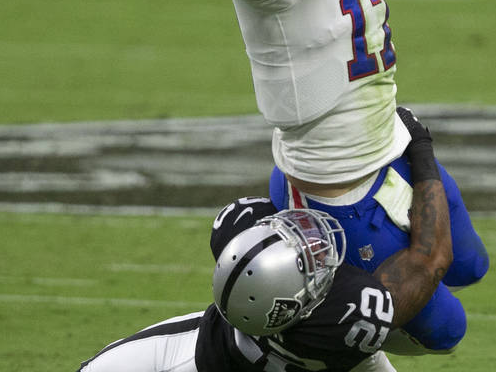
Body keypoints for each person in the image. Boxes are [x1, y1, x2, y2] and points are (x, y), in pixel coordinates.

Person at [216, 0, 488, 352]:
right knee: (445, 331)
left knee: (471, 266)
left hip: (392, 142)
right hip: (336, 184)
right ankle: (316, 337)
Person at [78, 107, 452, 372]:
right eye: (311, 260)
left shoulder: (237, 232)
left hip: (201, 355)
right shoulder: (343, 315)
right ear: (302, 305)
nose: (317, 241)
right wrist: (419, 146)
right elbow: (431, 258)